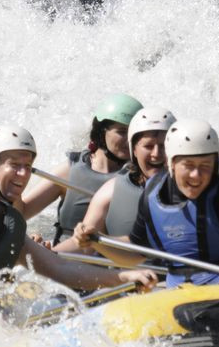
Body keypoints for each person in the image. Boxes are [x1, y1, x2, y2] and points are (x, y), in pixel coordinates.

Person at [0, 125, 158, 315]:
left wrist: (122, 277)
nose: (23, 174)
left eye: (28, 166)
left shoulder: (8, 219)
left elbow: (59, 269)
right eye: (14, 165)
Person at [74, 119, 219, 288]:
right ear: (172, 164)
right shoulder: (154, 194)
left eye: (205, 166)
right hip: (182, 294)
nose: (197, 175)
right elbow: (137, 251)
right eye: (188, 166)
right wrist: (97, 241)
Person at [19, 93, 143, 245]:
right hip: (63, 261)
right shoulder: (69, 172)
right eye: (121, 132)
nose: (128, 140)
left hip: (115, 263)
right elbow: (21, 212)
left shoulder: (141, 177)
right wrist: (32, 242)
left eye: (133, 133)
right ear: (101, 131)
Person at [53, 106, 175, 253]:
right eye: (148, 146)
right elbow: (83, 247)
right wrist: (44, 256)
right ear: (134, 150)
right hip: (123, 274)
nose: (156, 154)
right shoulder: (111, 190)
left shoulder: (193, 189)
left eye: (164, 146)